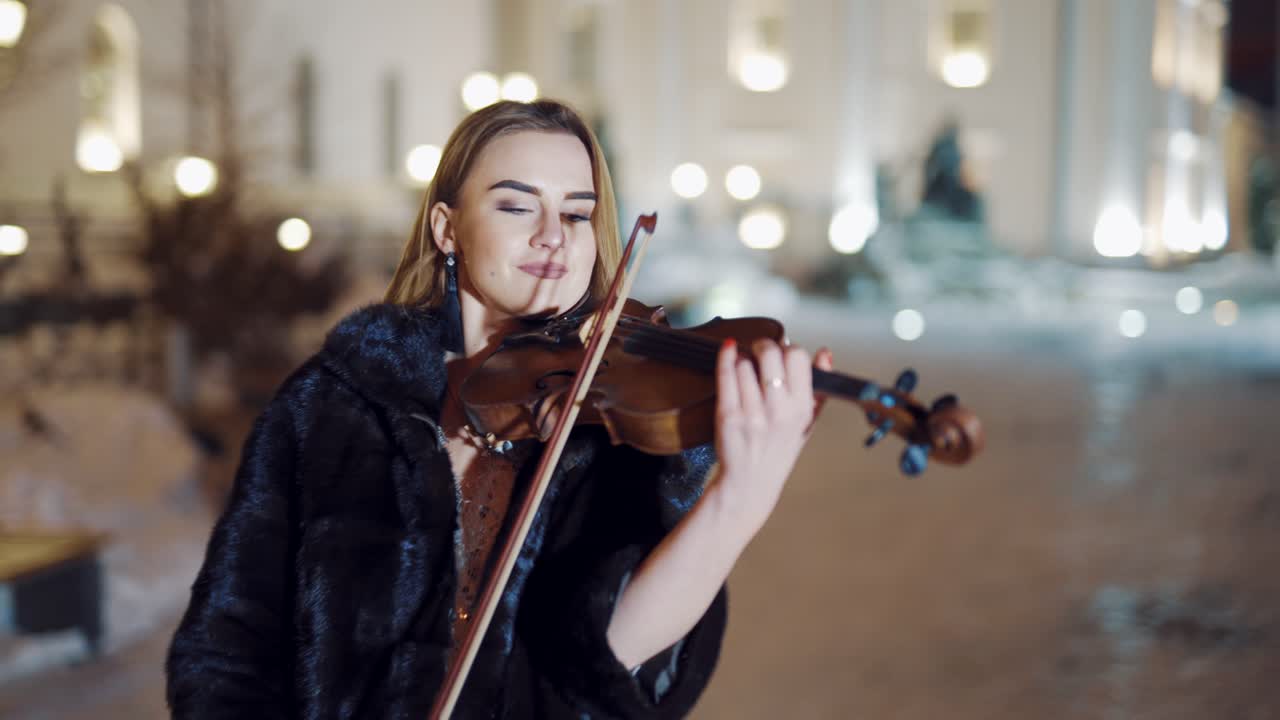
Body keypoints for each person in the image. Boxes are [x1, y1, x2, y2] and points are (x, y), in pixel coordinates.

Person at [165, 99, 833, 719]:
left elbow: (608, 660)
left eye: (576, 213)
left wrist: (739, 501)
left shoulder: (616, 425)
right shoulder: (333, 402)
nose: (555, 237)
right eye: (518, 207)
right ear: (447, 228)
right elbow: (227, 644)